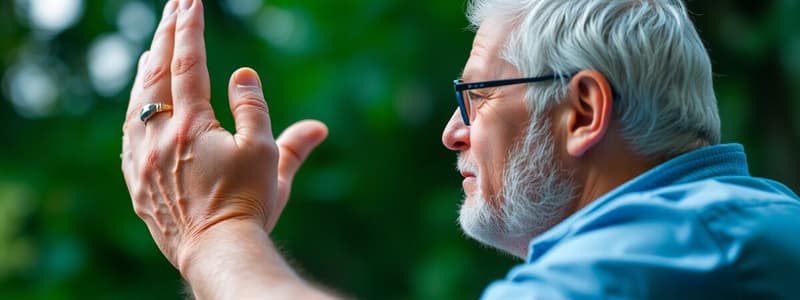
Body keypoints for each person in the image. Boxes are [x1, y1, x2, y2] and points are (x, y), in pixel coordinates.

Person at [121, 0, 800, 298]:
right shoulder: (715, 233)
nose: (452, 131)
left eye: (477, 95)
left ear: (584, 110)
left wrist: (215, 232)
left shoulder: (674, 245)